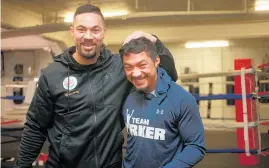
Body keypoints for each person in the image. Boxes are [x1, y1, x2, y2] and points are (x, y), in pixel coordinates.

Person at [14, 4, 178, 168]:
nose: (88, 36)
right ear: (72, 32)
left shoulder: (120, 67)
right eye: (81, 29)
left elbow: (169, 74)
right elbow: (36, 127)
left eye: (95, 30)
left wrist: (153, 41)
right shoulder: (53, 74)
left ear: (104, 32)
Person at [119, 37, 205, 168]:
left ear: (156, 60)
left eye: (142, 65)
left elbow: (195, 147)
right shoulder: (128, 94)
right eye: (129, 67)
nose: (135, 73)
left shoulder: (181, 99)